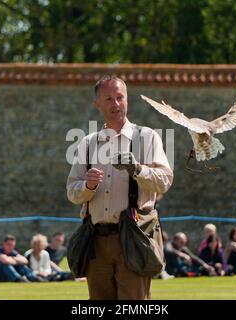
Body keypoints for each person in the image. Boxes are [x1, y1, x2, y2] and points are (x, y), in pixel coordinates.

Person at [67, 75, 173, 300]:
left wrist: (137, 168)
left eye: (119, 97)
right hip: (95, 241)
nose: (115, 104)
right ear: (97, 103)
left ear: (127, 100)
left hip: (134, 237)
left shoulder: (147, 138)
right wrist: (88, 185)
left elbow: (165, 180)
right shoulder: (87, 143)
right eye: (108, 99)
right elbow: (72, 192)